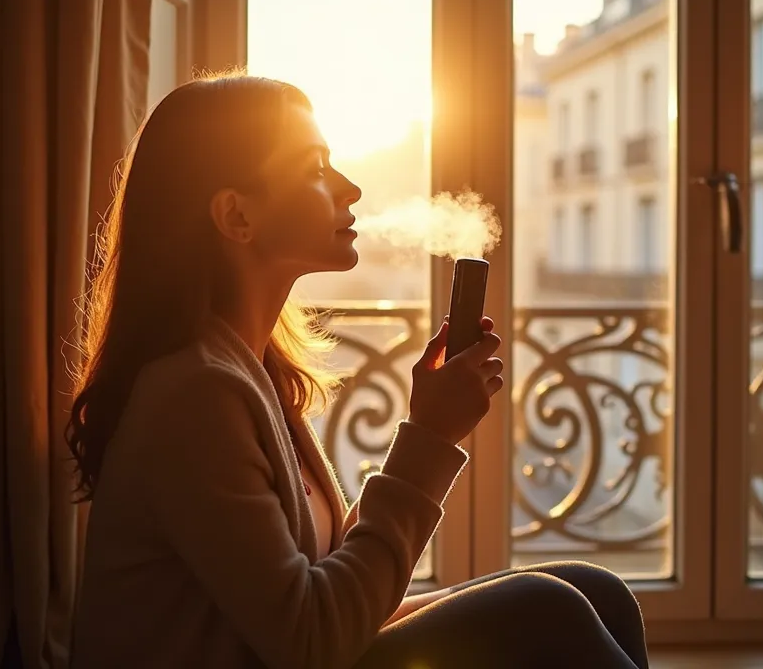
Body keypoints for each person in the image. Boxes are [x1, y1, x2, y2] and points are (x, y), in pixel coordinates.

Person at [67, 71, 649, 669]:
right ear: (236, 216)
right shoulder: (196, 395)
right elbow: (311, 640)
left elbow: (321, 584)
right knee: (544, 607)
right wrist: (427, 439)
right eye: (315, 169)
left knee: (593, 589)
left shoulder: (251, 368)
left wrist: (427, 425)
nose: (349, 189)